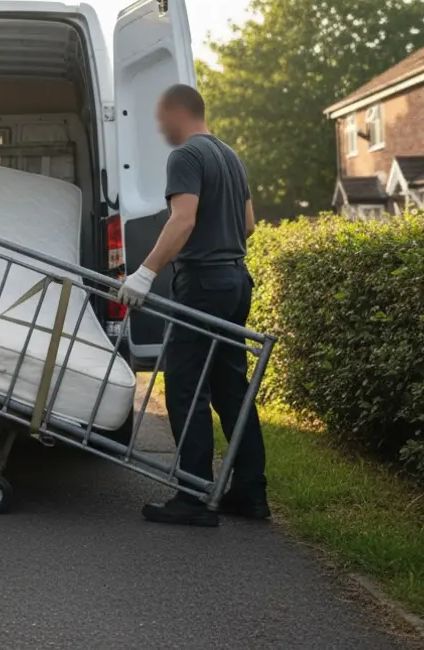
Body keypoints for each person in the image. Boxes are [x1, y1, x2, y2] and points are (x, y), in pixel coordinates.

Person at [116, 84, 269, 527]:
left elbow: (184, 219)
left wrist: (144, 274)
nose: (160, 127)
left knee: (185, 385)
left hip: (203, 282)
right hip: (236, 281)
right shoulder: (230, 156)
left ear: (174, 112)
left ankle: (194, 495)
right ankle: (250, 493)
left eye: (160, 118)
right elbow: (250, 224)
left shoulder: (185, 156)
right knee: (230, 388)